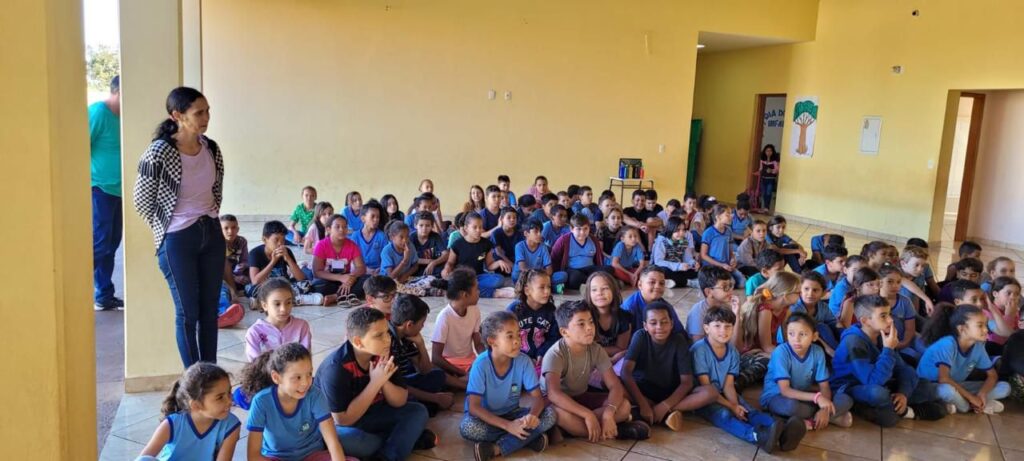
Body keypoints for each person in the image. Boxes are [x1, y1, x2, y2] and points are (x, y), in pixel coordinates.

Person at [133, 86, 226, 367]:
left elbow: (216, 189)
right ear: (177, 116)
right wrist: (170, 226)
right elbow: (142, 201)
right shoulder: (159, 152)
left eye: (207, 111)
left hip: (211, 232)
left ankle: (211, 374)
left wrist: (210, 217)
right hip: (177, 238)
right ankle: (194, 379)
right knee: (188, 313)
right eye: (199, 113)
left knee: (209, 311)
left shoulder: (211, 148)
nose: (206, 117)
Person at [315, 307, 434, 461]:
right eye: (379, 336)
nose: (387, 339)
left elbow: (400, 400)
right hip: (339, 426)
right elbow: (342, 420)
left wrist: (383, 381)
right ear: (358, 342)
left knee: (418, 411)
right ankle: (404, 440)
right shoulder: (336, 368)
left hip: (372, 413)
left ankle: (387, 455)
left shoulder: (383, 353)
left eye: (387, 333)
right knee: (363, 444)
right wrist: (375, 383)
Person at [690, 306, 800, 453]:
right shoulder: (699, 350)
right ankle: (756, 436)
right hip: (702, 397)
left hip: (721, 392)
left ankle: (782, 431)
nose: (723, 330)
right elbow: (707, 387)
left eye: (728, 326)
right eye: (717, 326)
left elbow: (729, 385)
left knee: (747, 410)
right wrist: (731, 407)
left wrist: (736, 406)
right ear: (706, 328)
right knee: (724, 415)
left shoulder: (732, 352)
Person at [830, 295, 948, 427]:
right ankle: (866, 409)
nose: (891, 320)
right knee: (878, 394)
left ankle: (898, 407)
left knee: (926, 387)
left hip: (883, 382)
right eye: (883, 316)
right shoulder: (854, 341)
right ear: (865, 320)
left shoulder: (882, 336)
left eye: (889, 314)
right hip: (852, 387)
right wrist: (888, 350)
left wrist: (903, 394)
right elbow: (872, 381)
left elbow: (904, 369)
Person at [542, 301, 651, 441]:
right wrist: (587, 414)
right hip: (558, 403)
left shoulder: (596, 349)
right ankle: (617, 431)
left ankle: (573, 430)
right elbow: (554, 394)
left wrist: (609, 413)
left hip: (580, 396)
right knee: (558, 415)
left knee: (624, 406)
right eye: (581, 324)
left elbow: (615, 385)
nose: (589, 328)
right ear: (564, 332)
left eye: (591, 322)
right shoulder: (555, 354)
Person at [460, 311, 556, 460]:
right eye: (510, 336)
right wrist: (508, 426)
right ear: (492, 341)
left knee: (550, 415)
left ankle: (496, 448)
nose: (517, 341)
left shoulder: (524, 361)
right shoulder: (480, 364)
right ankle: (527, 439)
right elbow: (474, 407)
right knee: (468, 428)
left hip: (513, 413)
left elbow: (538, 398)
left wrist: (532, 416)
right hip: (486, 418)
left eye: (518, 335)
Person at [620, 301, 718, 431]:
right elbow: (626, 372)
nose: (659, 327)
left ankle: (658, 412)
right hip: (644, 392)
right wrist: (643, 403)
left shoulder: (678, 340)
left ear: (671, 324)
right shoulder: (640, 337)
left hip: (671, 393)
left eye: (664, 322)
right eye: (653, 323)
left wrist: (665, 405)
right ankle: (660, 413)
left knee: (711, 392)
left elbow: (687, 382)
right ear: (645, 326)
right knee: (611, 384)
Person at [241, 344, 347, 460]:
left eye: (309, 374)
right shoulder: (261, 402)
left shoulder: (315, 395)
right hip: (276, 457)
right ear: (276, 377)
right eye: (297, 377)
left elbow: (332, 443)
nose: (305, 383)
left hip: (312, 454)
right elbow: (253, 456)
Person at [761, 312, 853, 431]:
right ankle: (828, 417)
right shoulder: (781, 352)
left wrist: (824, 409)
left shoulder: (818, 352)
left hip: (803, 395)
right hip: (777, 397)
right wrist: (818, 398)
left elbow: (824, 386)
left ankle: (814, 419)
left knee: (845, 398)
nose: (796, 339)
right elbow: (785, 390)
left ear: (814, 336)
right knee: (791, 407)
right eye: (791, 334)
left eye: (802, 334)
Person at [917, 303, 1009, 414]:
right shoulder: (948, 344)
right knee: (947, 392)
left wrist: (982, 394)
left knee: (1004, 387)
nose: (986, 330)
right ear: (962, 329)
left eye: (986, 325)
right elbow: (943, 379)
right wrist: (971, 397)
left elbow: (992, 376)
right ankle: (969, 407)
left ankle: (968, 404)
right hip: (931, 386)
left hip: (957, 385)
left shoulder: (978, 346)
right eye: (980, 325)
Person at [137, 363, 240, 460]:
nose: (230, 401)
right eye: (220, 397)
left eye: (229, 392)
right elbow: (144, 458)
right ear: (196, 405)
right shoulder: (172, 424)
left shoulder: (231, 425)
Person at [388, 295, 456, 415]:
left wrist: (421, 344)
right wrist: (435, 398)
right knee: (420, 410)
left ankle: (432, 400)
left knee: (438, 375)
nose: (422, 327)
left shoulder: (405, 335)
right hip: (391, 390)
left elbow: (425, 370)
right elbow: (397, 385)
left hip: (403, 381)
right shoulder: (388, 342)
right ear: (409, 324)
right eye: (422, 323)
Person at [735, 272, 801, 390]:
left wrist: (794, 352)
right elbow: (766, 346)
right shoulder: (765, 310)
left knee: (792, 360)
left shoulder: (785, 309)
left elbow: (787, 338)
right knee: (769, 361)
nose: (800, 295)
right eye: (798, 292)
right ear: (785, 295)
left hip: (767, 350)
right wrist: (788, 355)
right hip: (750, 353)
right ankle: (738, 383)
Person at [91, 75, 124, 311]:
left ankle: (104, 295)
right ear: (118, 92)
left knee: (111, 244)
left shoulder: (124, 118)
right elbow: (78, 147)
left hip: (118, 190)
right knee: (100, 243)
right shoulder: (97, 113)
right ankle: (73, 288)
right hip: (99, 188)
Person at [431, 268, 485, 387]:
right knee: (436, 374)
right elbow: (435, 357)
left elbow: (478, 344)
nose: (479, 292)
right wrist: (461, 372)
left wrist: (486, 358)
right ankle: (463, 382)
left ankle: (462, 382)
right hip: (449, 364)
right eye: (476, 289)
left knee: (489, 369)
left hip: (469, 362)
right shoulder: (444, 317)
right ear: (464, 295)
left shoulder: (475, 310)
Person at [245, 278, 312, 362]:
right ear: (264, 305)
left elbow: (305, 358)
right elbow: (256, 365)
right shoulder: (254, 332)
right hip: (266, 371)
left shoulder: (301, 326)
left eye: (288, 302)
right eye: (277, 304)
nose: (283, 309)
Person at [507, 270, 560, 371]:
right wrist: (523, 357)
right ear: (527, 290)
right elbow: (507, 338)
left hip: (542, 359)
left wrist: (542, 353)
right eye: (542, 287)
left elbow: (554, 337)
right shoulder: (514, 310)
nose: (547, 291)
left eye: (549, 287)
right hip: (516, 358)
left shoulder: (551, 311)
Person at [311, 214, 368, 304]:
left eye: (345, 227)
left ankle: (336, 297)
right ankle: (346, 295)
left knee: (368, 281)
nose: (342, 230)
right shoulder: (321, 245)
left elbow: (361, 268)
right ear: (329, 229)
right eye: (337, 227)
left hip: (347, 278)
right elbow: (317, 272)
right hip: (328, 280)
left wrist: (350, 279)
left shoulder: (352, 245)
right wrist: (340, 278)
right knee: (318, 286)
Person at [550, 214, 613, 290]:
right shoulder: (563, 240)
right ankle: (595, 284)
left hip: (590, 268)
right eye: (579, 229)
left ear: (589, 228)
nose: (582, 232)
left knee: (609, 269)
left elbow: (599, 258)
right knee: (575, 279)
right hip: (572, 270)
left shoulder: (593, 240)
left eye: (585, 228)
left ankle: (588, 285)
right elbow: (554, 258)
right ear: (571, 229)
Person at [685, 266, 740, 342]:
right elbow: (697, 345)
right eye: (725, 287)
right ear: (709, 292)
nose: (730, 290)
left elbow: (737, 345)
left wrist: (736, 315)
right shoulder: (698, 312)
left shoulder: (728, 307)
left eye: (730, 286)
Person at [701, 204, 745, 286]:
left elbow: (730, 250)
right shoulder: (708, 233)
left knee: (742, 282)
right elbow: (703, 255)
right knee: (731, 283)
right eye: (727, 214)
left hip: (725, 266)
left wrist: (733, 259)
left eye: (731, 214)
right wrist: (721, 265)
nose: (731, 216)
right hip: (712, 266)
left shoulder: (728, 231)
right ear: (718, 217)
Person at [758, 144, 780, 209]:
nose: (769, 152)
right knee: (764, 193)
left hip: (770, 179)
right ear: (765, 152)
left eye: (770, 151)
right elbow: (761, 168)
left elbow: (777, 170)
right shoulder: (762, 160)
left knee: (768, 193)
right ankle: (765, 207)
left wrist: (771, 170)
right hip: (763, 178)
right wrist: (758, 171)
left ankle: (766, 207)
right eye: (767, 151)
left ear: (772, 152)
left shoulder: (774, 161)